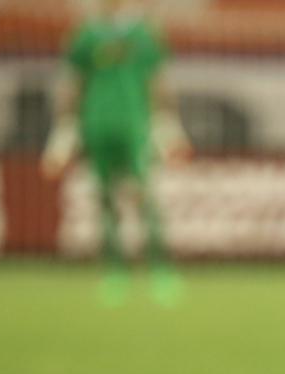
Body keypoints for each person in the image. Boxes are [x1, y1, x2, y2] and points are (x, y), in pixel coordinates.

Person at [41, 0, 190, 307]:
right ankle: (114, 271)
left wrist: (170, 129)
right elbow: (72, 86)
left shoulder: (144, 34)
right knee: (105, 198)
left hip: (136, 125)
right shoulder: (84, 35)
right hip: (96, 125)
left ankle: (160, 269)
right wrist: (61, 136)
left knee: (144, 196)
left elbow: (158, 83)